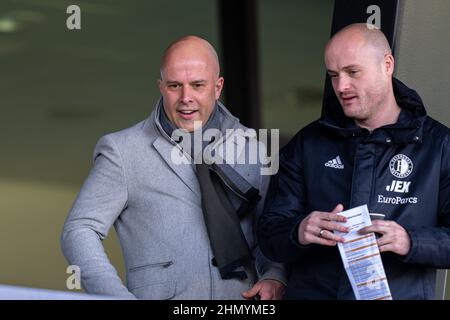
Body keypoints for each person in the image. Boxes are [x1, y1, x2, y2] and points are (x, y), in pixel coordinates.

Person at [61, 36, 286, 300]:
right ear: (161, 87)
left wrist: (274, 275)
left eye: (197, 85)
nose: (185, 97)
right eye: (174, 85)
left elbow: (273, 227)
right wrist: (115, 297)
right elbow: (79, 229)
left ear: (218, 87)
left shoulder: (255, 148)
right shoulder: (122, 150)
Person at [258, 23, 450, 300]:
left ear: (387, 65)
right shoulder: (308, 143)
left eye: (352, 72)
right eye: (333, 75)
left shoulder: (438, 146)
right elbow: (269, 233)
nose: (341, 86)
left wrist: (411, 240)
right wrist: (298, 230)